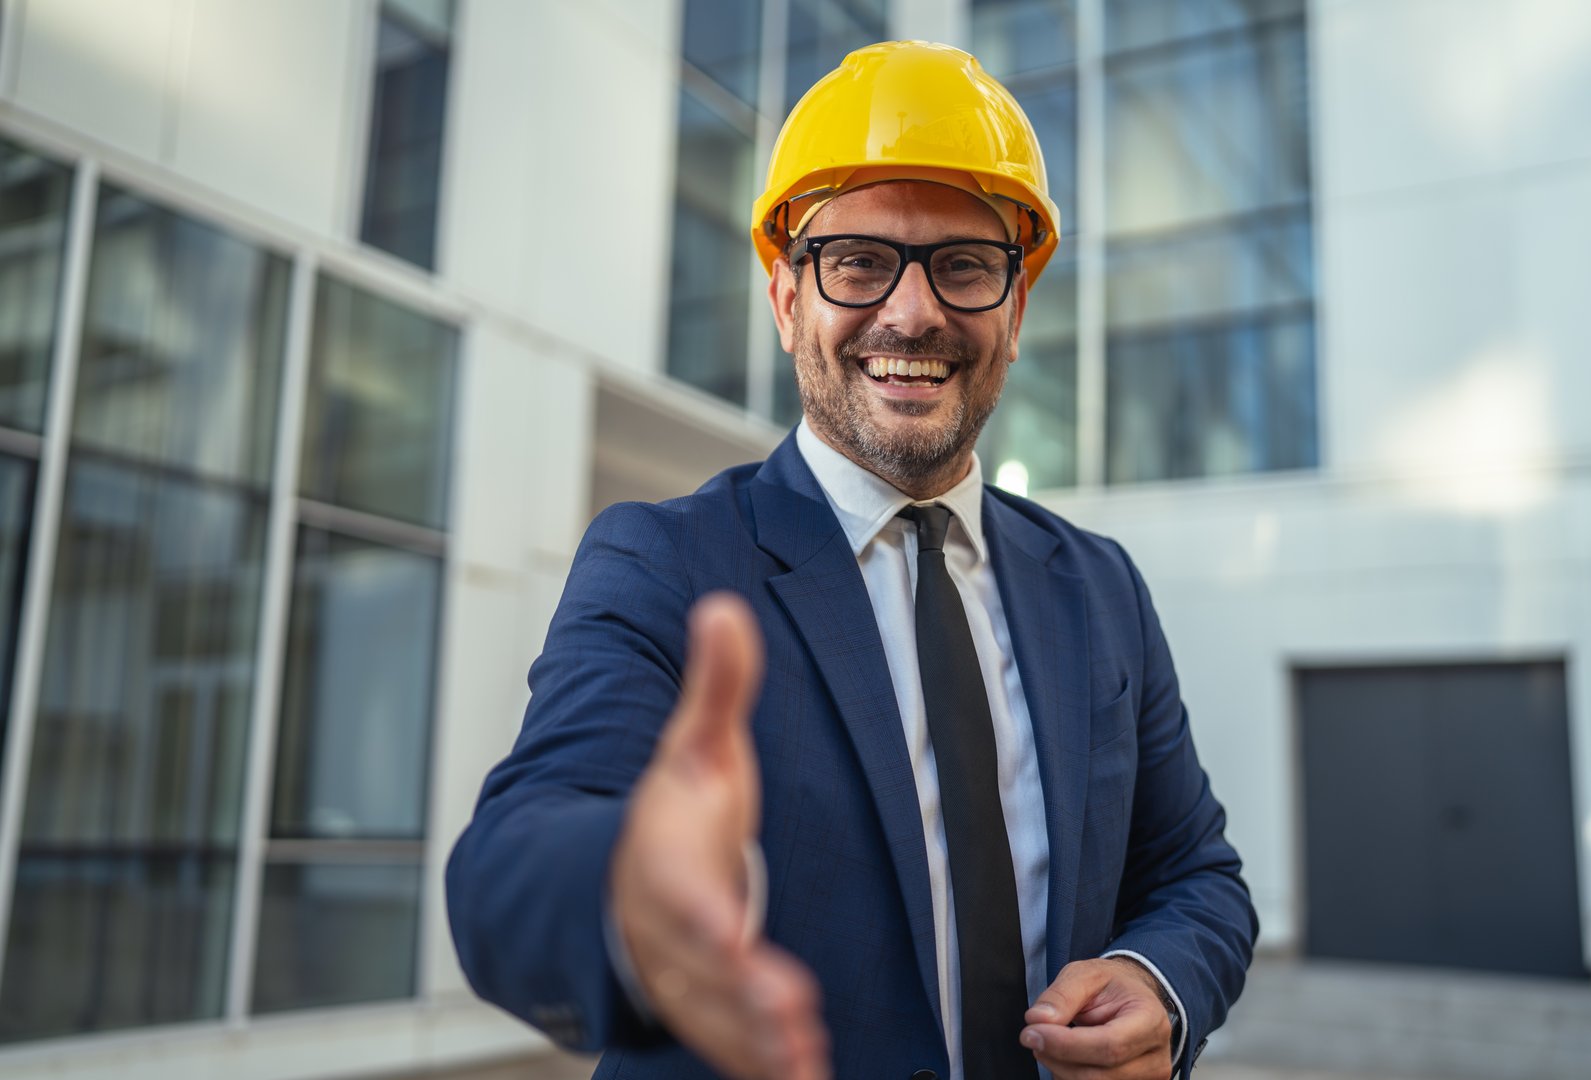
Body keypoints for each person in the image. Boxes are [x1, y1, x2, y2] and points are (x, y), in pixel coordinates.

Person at [447, 40, 1256, 1080]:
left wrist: (1159, 981)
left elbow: (1195, 873)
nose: (912, 311)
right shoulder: (665, 563)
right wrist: (633, 899)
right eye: (859, 261)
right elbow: (512, 862)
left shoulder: (1099, 589)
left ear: (1014, 310)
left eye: (964, 265)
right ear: (788, 302)